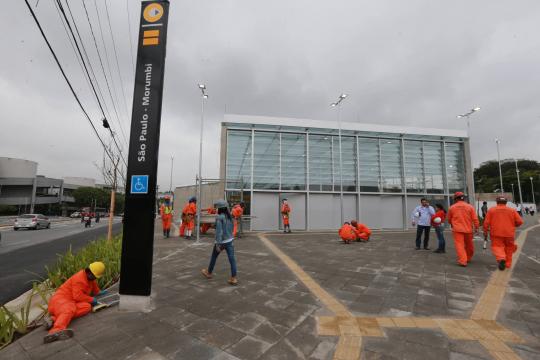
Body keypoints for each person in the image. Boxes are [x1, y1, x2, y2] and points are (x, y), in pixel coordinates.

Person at [43, 262, 106, 343]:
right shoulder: (79, 279)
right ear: (89, 271)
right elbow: (78, 296)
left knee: (86, 307)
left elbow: (93, 286)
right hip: (60, 301)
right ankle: (55, 331)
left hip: (69, 302)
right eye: (94, 276)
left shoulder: (89, 277)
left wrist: (98, 292)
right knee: (69, 309)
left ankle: (53, 319)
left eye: (95, 277)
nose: (94, 278)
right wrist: (91, 299)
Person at [201, 200, 238, 285]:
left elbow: (219, 232)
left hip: (221, 242)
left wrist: (218, 244)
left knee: (214, 257)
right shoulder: (230, 217)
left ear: (219, 209)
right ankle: (234, 278)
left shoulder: (219, 217)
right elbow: (233, 228)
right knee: (232, 260)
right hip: (230, 241)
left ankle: (209, 273)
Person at [483, 196, 524, 270]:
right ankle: (508, 264)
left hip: (496, 233)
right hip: (509, 233)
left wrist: (485, 232)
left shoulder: (492, 210)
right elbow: (520, 221)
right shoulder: (512, 210)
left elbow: (486, 223)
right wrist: (513, 225)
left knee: (497, 246)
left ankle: (501, 258)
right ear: (506, 202)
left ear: (497, 202)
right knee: (509, 248)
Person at [447, 192, 480, 267]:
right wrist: (477, 227)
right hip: (468, 229)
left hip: (457, 229)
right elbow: (475, 219)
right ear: (464, 198)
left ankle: (463, 260)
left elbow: (449, 219)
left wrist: (452, 224)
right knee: (469, 245)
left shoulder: (452, 207)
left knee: (460, 245)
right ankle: (468, 258)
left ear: (455, 199)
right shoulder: (470, 207)